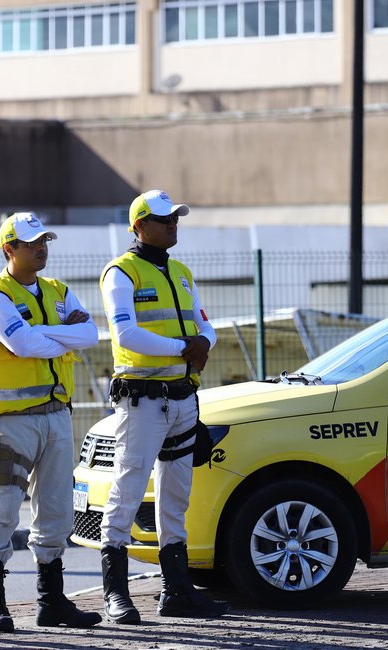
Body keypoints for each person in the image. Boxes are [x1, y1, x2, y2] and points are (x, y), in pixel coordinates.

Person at [97, 189, 229, 623]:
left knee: (176, 496)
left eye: (175, 218)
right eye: (162, 219)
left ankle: (177, 590)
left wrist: (202, 343)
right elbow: (125, 336)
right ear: (138, 226)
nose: (172, 224)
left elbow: (204, 324)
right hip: (142, 400)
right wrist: (185, 349)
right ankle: (115, 593)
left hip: (181, 398)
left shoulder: (182, 272)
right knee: (128, 489)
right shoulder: (121, 272)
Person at [0, 213, 102, 633]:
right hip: (9, 423)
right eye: (31, 243)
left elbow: (91, 336)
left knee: (57, 511)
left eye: (44, 240)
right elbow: (20, 343)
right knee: (2, 508)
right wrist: (58, 333)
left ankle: (52, 602)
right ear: (9, 249)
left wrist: (41, 332)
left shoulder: (59, 291)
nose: (41, 248)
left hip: (57, 416)